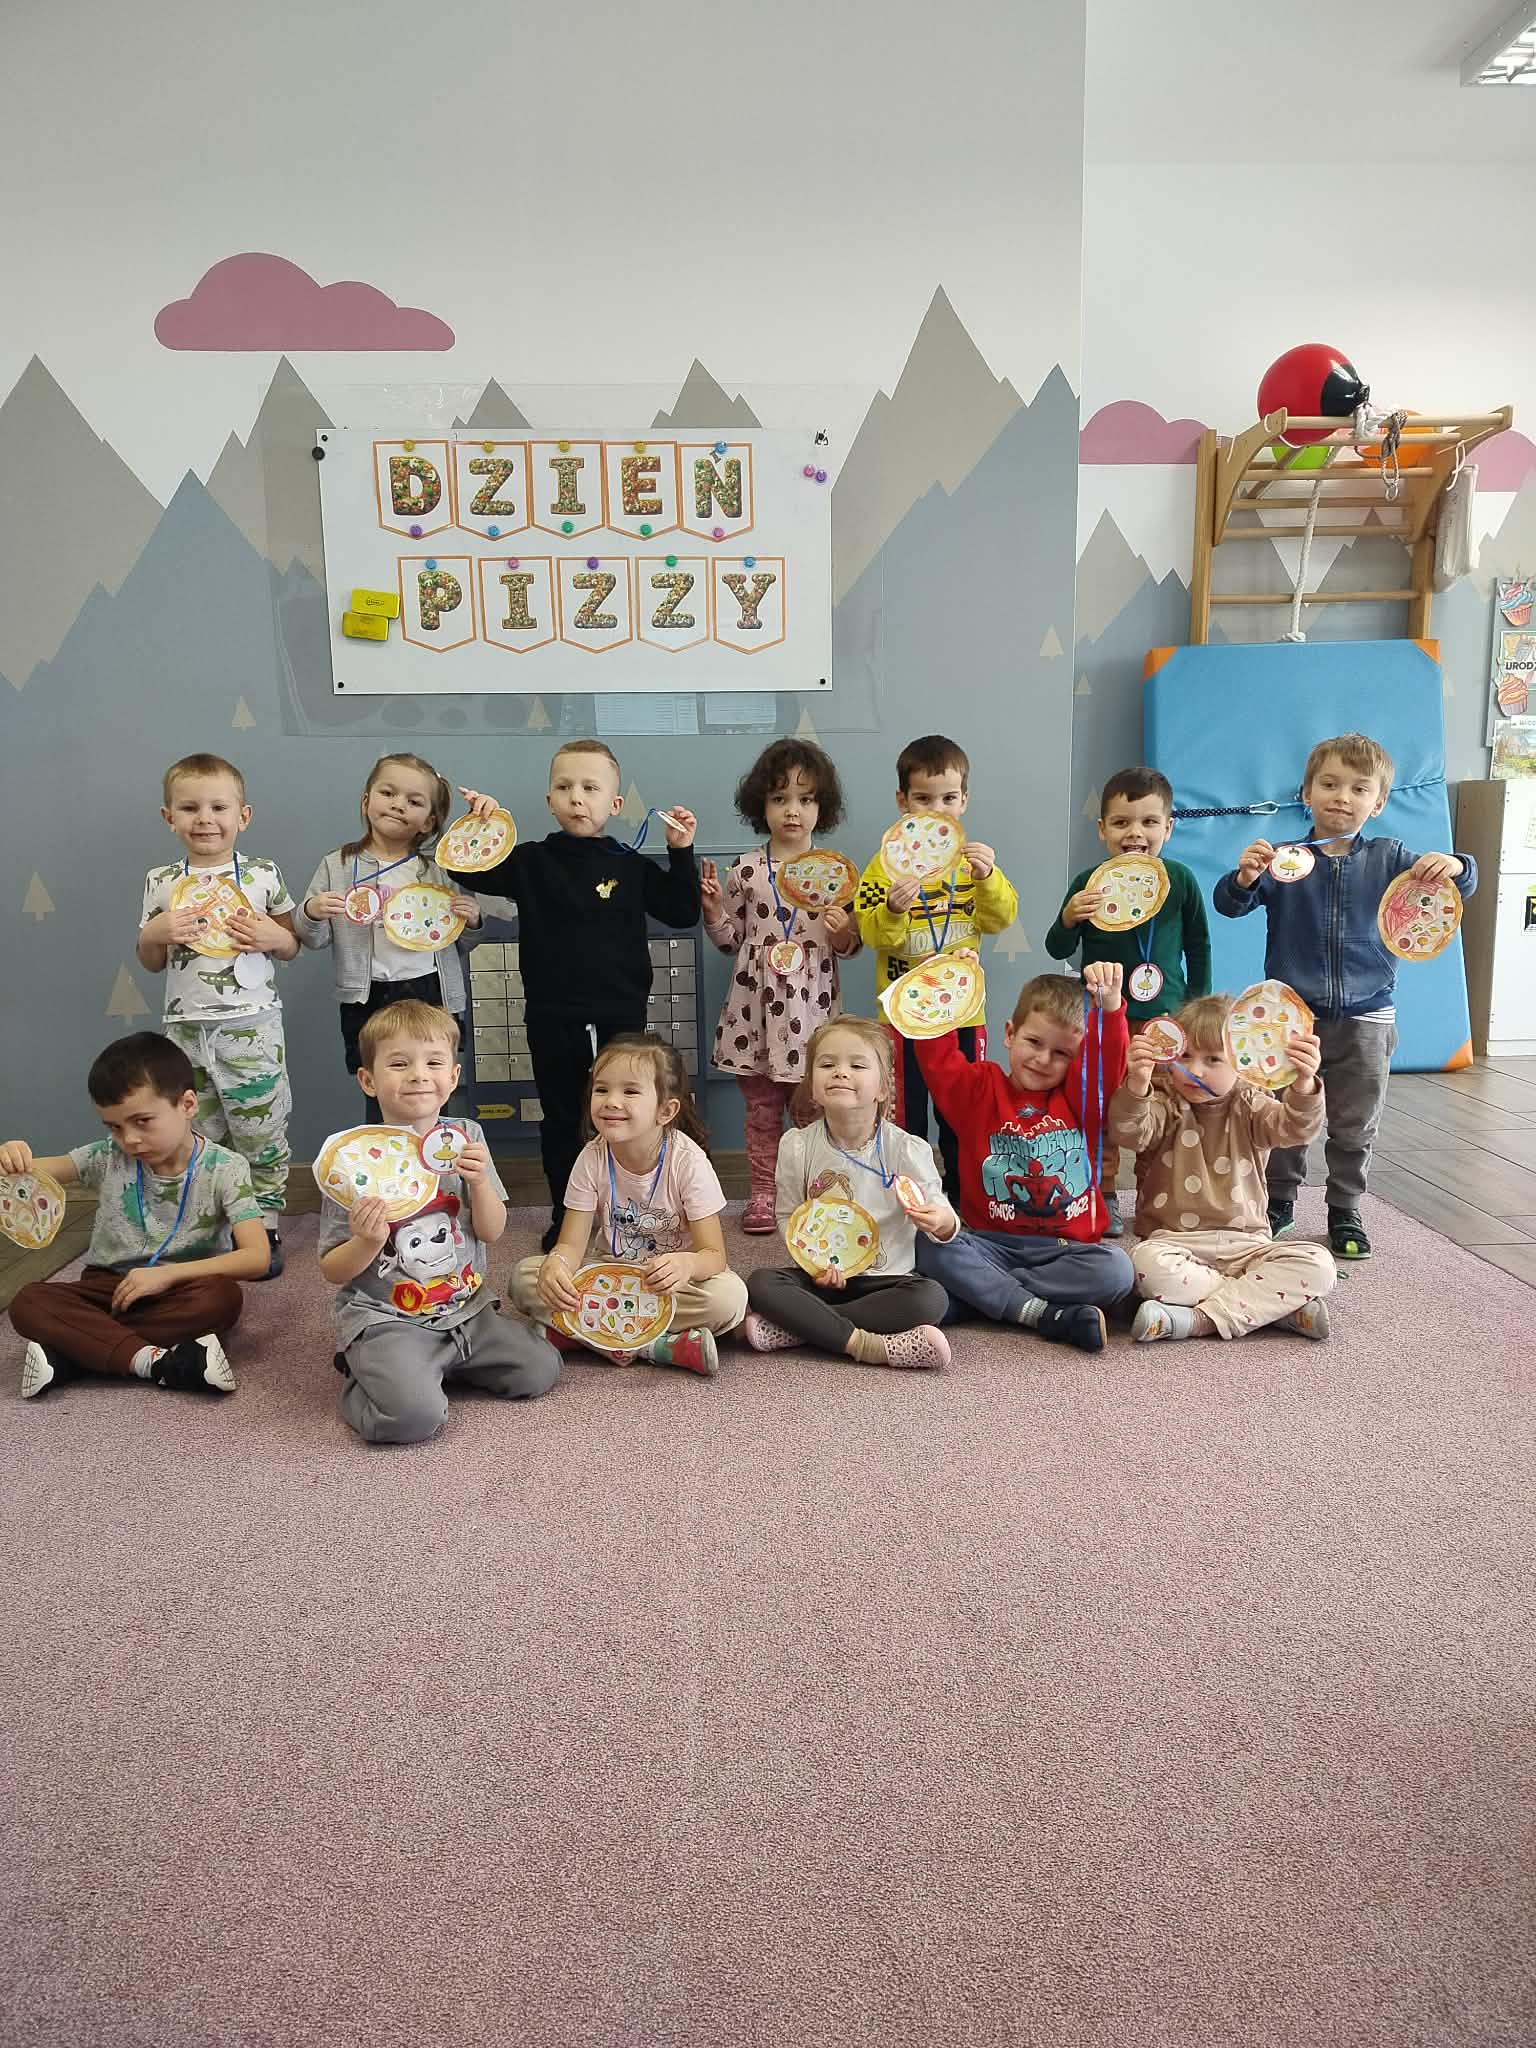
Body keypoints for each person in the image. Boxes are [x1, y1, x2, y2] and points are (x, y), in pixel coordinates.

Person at [1213, 732, 1478, 1260]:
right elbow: (1230, 905)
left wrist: (1457, 865)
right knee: (1287, 1114)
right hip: (1291, 1019)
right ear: (1305, 793)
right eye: (1329, 784)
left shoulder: (1391, 857)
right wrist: (1243, 877)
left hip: (1368, 1016)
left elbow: (1458, 886)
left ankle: (1345, 1208)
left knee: (1355, 1122)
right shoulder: (1284, 860)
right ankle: (1279, 1202)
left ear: (1378, 803)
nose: (1342, 797)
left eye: (1359, 789)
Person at [459, 742, 700, 1251]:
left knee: (629, 1113)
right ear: (549, 800)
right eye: (565, 787)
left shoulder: (629, 864)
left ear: (615, 803)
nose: (577, 798)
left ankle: (631, 1212)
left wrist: (681, 851)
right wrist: (482, 824)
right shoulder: (530, 861)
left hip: (621, 1012)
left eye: (591, 788)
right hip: (553, 1012)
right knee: (562, 1117)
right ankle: (567, 1215)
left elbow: (682, 912)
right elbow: (466, 870)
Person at [318, 1000, 560, 1445]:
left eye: (433, 1062)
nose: (418, 1075)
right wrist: (367, 1241)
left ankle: (434, 1365)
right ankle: (363, 1371)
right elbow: (333, 1269)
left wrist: (480, 1183)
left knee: (541, 1370)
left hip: (465, 1308)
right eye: (399, 1064)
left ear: (453, 1076)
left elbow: (492, 1231)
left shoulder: (467, 1135)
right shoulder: (352, 1159)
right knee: (413, 1418)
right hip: (390, 1317)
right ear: (368, 1080)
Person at [5, 1032, 269, 1398]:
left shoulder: (226, 1167)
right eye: (114, 1127)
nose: (128, 1140)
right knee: (28, 1302)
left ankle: (76, 1351)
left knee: (223, 1299)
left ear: (187, 1104)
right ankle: (155, 1362)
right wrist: (12, 1158)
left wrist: (167, 1275)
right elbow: (30, 1173)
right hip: (108, 1287)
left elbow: (257, 1257)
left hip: (181, 1286)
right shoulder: (106, 1156)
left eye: (142, 1121)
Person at [912, 964, 1135, 1352]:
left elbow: (1105, 1064)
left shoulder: (1081, 1099)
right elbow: (938, 1060)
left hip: (1066, 1251)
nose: (1043, 1059)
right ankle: (1036, 1311)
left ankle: (985, 1296)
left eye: (1062, 1053)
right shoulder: (979, 1090)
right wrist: (946, 984)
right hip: (989, 1244)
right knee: (926, 1244)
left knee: (1117, 1270)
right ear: (1009, 1034)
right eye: (1034, 1042)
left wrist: (1111, 1009)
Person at [137, 754, 298, 1276]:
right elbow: (151, 959)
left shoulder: (263, 874)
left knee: (261, 1129)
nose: (205, 818)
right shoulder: (161, 880)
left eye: (218, 807)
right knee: (199, 1129)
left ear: (242, 816)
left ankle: (264, 1225)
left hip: (251, 1025)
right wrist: (154, 933)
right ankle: (213, 1225)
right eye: (190, 808)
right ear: (170, 818)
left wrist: (276, 937)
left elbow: (291, 944)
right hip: (185, 1029)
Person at [511, 1032, 747, 1377]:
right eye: (601, 1089)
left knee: (729, 1298)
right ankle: (658, 1345)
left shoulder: (688, 1162)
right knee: (524, 1278)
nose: (611, 1101)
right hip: (609, 1275)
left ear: (666, 1110)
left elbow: (714, 1256)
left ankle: (583, 1333)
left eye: (630, 1091)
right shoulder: (591, 1157)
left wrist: (687, 1264)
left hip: (668, 1285)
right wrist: (557, 1265)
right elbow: (570, 1245)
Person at [1107, 994, 1337, 1342]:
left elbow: (1295, 1128)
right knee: (1142, 1266)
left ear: (1243, 1063)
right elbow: (1129, 1133)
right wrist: (1137, 1083)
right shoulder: (1164, 1102)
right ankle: (1270, 1309)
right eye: (1185, 1056)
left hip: (1248, 1247)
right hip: (1174, 1244)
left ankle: (1196, 1320)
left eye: (1213, 1059)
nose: (1195, 1070)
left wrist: (1304, 1083)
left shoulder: (1251, 1104)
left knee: (1319, 1265)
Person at [700, 737, 860, 1232]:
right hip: (756, 1011)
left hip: (813, 1010)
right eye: (779, 798)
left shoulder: (835, 872)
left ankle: (815, 1189)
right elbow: (730, 941)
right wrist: (713, 912)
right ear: (761, 805)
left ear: (822, 807)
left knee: (814, 1108)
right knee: (762, 1109)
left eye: (806, 799)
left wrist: (842, 930)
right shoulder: (746, 869)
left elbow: (848, 947)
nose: (793, 810)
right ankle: (764, 1193)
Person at [1046, 766, 1212, 1237]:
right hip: (1101, 1019)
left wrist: (1196, 1011)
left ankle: (1155, 1191)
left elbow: (1199, 946)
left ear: (1168, 828)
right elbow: (1057, 949)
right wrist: (1069, 918)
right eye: (1121, 822)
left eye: (1149, 822)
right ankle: (1102, 1192)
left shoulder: (1180, 880)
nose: (1135, 833)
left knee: (1161, 1106)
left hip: (1165, 1020)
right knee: (1101, 1104)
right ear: (1102, 829)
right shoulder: (1089, 882)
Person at [853, 735, 1018, 1203]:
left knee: (961, 1105)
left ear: (964, 801)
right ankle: (908, 1194)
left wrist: (988, 878)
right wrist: (892, 909)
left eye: (948, 798)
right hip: (901, 1015)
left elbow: (1001, 918)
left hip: (962, 1011)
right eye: (923, 799)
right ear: (902, 801)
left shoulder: (973, 864)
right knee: (905, 1110)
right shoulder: (883, 866)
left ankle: (965, 1194)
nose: (936, 809)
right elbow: (871, 933)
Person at [744, 1017, 956, 1369]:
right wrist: (813, 1265)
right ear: (812, 1086)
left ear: (883, 1089)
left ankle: (803, 1327)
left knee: (931, 1299)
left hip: (887, 1282)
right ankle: (867, 1345)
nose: (841, 1072)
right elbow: (788, 1215)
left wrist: (942, 1221)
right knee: (761, 1283)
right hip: (822, 1278)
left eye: (857, 1066)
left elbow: (940, 1210)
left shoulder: (905, 1149)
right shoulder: (798, 1145)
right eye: (827, 1065)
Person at [291, 752, 483, 1113]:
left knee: (431, 1086)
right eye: (388, 793)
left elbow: (461, 944)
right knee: (379, 1090)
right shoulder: (338, 865)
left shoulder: (438, 870)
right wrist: (312, 911)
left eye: (414, 801)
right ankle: (383, 1149)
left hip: (431, 990)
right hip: (368, 995)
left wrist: (471, 921)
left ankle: (432, 1149)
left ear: (428, 822)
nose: (398, 805)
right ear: (367, 802)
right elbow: (313, 938)